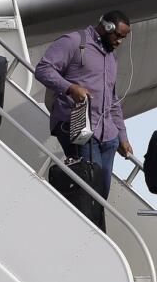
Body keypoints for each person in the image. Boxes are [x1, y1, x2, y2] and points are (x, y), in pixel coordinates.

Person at [35, 11, 135, 200]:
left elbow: (113, 100)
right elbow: (43, 69)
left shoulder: (111, 56)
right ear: (107, 28)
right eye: (118, 36)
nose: (120, 42)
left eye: (124, 38)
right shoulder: (74, 42)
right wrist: (70, 88)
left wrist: (122, 136)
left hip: (109, 137)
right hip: (80, 128)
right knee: (90, 191)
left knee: (101, 195)